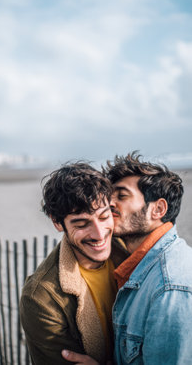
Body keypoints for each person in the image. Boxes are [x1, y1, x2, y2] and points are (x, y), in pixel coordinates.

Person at [62, 152, 192, 365]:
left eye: (121, 196)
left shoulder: (170, 289)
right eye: (109, 196)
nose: (108, 204)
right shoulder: (141, 265)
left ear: (158, 209)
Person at [19, 162, 128, 365]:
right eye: (81, 224)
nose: (99, 233)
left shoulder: (129, 250)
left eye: (104, 216)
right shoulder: (40, 298)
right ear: (57, 223)